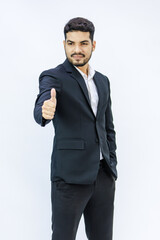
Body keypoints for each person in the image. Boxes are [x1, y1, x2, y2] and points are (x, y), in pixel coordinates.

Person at [34, 17, 117, 240]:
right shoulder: (55, 76)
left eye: (83, 43)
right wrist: (45, 110)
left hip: (102, 177)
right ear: (64, 44)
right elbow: (44, 99)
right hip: (69, 179)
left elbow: (107, 126)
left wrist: (112, 164)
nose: (77, 50)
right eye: (71, 43)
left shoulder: (103, 81)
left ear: (93, 44)